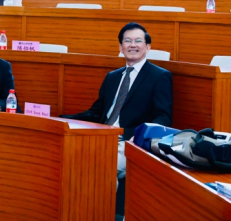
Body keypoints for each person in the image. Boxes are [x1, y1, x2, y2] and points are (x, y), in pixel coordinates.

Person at [62, 22, 172, 179]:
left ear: (148, 47)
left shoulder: (159, 76)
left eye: (138, 41)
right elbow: (96, 113)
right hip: (101, 136)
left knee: (100, 167)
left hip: (130, 141)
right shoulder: (112, 77)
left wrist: (140, 136)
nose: (132, 45)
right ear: (121, 47)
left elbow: (163, 117)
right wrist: (64, 119)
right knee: (68, 159)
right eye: (127, 41)